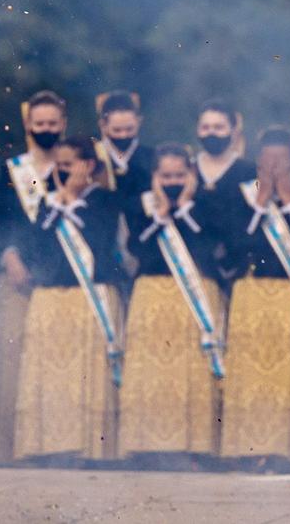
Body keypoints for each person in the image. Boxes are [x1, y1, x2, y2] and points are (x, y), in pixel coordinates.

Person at [12, 138, 124, 463]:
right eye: (58, 165)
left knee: (86, 376)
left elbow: (102, 244)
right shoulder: (49, 203)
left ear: (88, 165)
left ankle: (90, 449)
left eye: (68, 164)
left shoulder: (105, 201)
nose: (61, 171)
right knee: (51, 377)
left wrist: (73, 198)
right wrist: (61, 202)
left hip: (90, 296)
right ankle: (46, 447)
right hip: (52, 295)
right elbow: (34, 247)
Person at [220, 129, 290, 470]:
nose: (274, 166)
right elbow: (235, 244)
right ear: (258, 160)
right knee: (250, 374)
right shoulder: (240, 195)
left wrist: (288, 198)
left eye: (282, 160)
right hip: (251, 292)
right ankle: (247, 451)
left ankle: (287, 450)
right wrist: (263, 199)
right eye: (268, 161)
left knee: (287, 374)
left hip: (289, 293)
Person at [119, 144, 222, 462]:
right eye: (166, 175)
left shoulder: (206, 204)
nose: (173, 181)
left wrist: (185, 207)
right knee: (151, 372)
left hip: (194, 292)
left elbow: (208, 248)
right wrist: (162, 213)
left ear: (191, 175)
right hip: (153, 291)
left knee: (192, 371)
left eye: (180, 175)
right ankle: (146, 449)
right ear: (154, 177)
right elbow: (139, 248)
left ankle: (195, 448)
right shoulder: (142, 205)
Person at [0, 89, 68, 463]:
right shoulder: (11, 170)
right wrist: (9, 256)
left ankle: (54, 445)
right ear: (28, 125)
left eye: (53, 123)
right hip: (16, 278)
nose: (46, 129)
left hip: (60, 281)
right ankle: (8, 449)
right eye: (40, 123)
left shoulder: (73, 169)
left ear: (63, 125)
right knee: (11, 362)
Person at [192, 102, 253, 205]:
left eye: (218, 127)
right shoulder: (186, 170)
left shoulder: (251, 171)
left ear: (233, 131)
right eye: (205, 127)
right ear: (197, 130)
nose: (211, 132)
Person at [95, 91, 152, 197]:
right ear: (103, 125)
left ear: (139, 122)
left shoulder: (151, 157)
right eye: (117, 130)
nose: (123, 135)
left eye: (129, 129)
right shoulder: (93, 155)